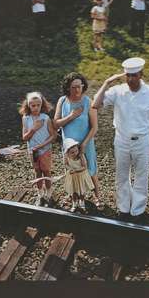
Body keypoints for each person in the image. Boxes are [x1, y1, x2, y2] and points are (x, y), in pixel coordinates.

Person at [93, 57, 149, 222]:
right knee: (121, 175)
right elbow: (95, 104)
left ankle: (138, 211)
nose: (130, 79)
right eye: (128, 75)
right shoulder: (118, 91)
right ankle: (123, 208)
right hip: (121, 140)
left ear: (141, 74)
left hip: (142, 140)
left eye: (134, 75)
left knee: (141, 176)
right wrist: (106, 82)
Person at [54, 72, 102, 208]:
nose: (77, 90)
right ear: (68, 87)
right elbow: (56, 124)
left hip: (86, 142)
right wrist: (71, 116)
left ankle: (97, 196)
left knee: (91, 169)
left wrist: (84, 144)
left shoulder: (88, 102)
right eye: (73, 87)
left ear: (83, 86)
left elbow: (94, 127)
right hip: (69, 144)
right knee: (72, 170)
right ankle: (74, 197)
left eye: (79, 86)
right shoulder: (62, 101)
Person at [19, 91, 57, 207]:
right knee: (37, 172)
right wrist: (34, 129)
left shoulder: (45, 118)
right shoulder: (26, 118)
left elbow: (53, 136)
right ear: (28, 105)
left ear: (42, 105)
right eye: (32, 105)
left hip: (44, 150)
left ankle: (49, 193)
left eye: (38, 105)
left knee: (46, 171)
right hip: (32, 151)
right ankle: (40, 194)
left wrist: (41, 145)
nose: (35, 108)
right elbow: (24, 138)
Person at [63, 138, 94, 213]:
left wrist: (76, 170)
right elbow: (66, 164)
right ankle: (74, 203)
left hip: (81, 175)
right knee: (73, 191)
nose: (75, 153)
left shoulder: (81, 156)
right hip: (73, 176)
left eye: (76, 151)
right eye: (72, 152)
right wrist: (69, 169)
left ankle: (82, 202)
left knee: (81, 191)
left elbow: (85, 167)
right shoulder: (66, 157)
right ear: (68, 152)